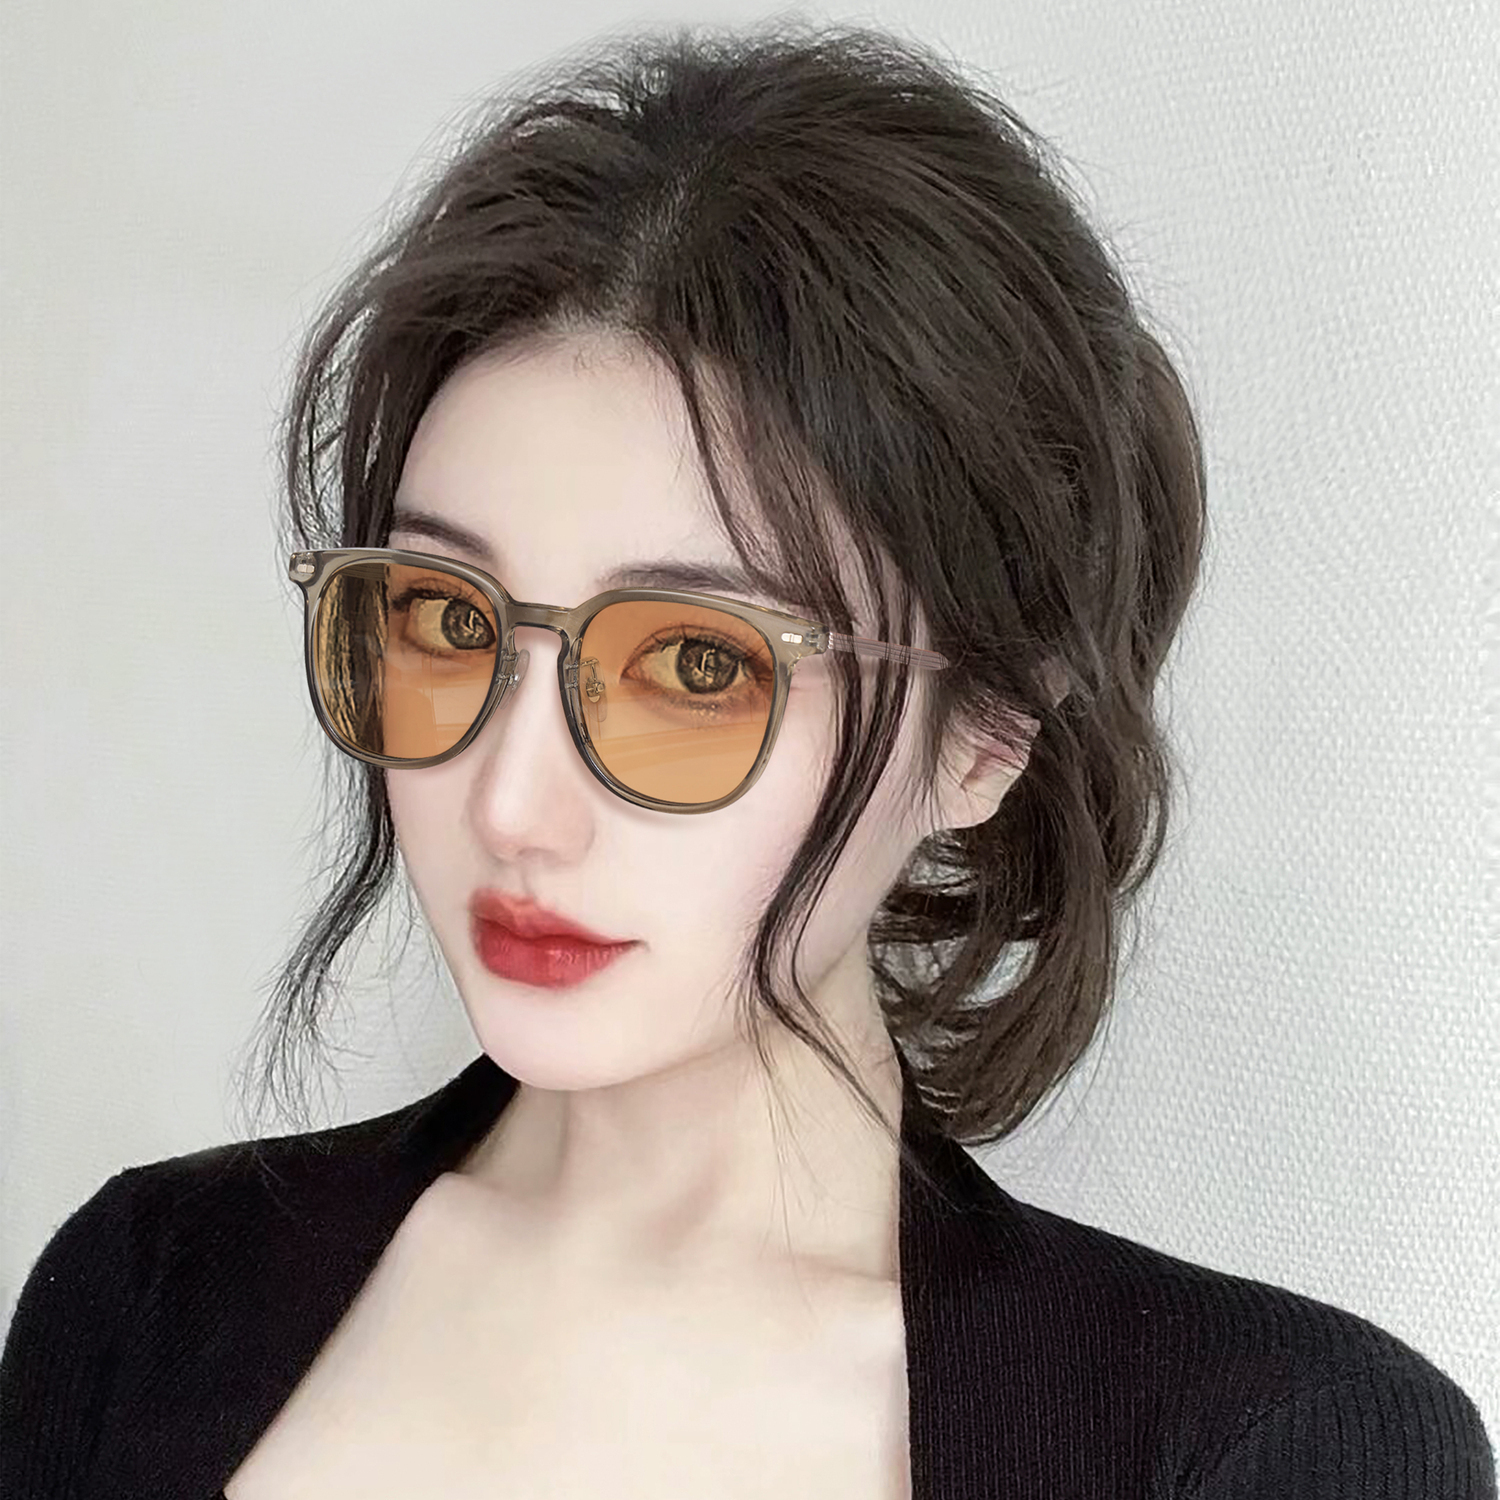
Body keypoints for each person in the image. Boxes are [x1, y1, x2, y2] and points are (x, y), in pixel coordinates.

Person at [1, 18, 1492, 1500]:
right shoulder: (143, 1294)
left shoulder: (1271, 1449)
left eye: (698, 666)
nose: (511, 806)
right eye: (449, 622)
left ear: (987, 734)